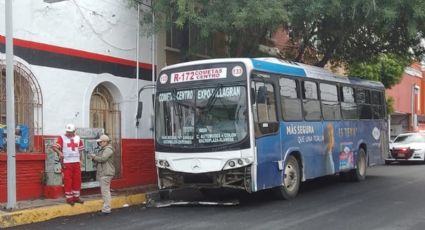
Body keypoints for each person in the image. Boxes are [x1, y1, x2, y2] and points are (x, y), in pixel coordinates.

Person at [52, 123, 84, 205]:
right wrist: (59, 152)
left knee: (77, 179)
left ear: (74, 131)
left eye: (70, 132)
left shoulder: (78, 138)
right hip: (67, 162)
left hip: (76, 162)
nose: (68, 133)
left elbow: (80, 150)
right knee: (68, 180)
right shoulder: (62, 138)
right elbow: (54, 147)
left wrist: (81, 160)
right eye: (67, 132)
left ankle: (76, 197)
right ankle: (69, 198)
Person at [90, 134, 115, 215]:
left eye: (100, 142)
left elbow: (103, 159)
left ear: (105, 142)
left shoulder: (108, 149)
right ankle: (105, 208)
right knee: (105, 191)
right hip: (105, 172)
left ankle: (106, 209)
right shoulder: (104, 149)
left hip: (106, 173)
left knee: (105, 192)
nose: (99, 143)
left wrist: (94, 157)